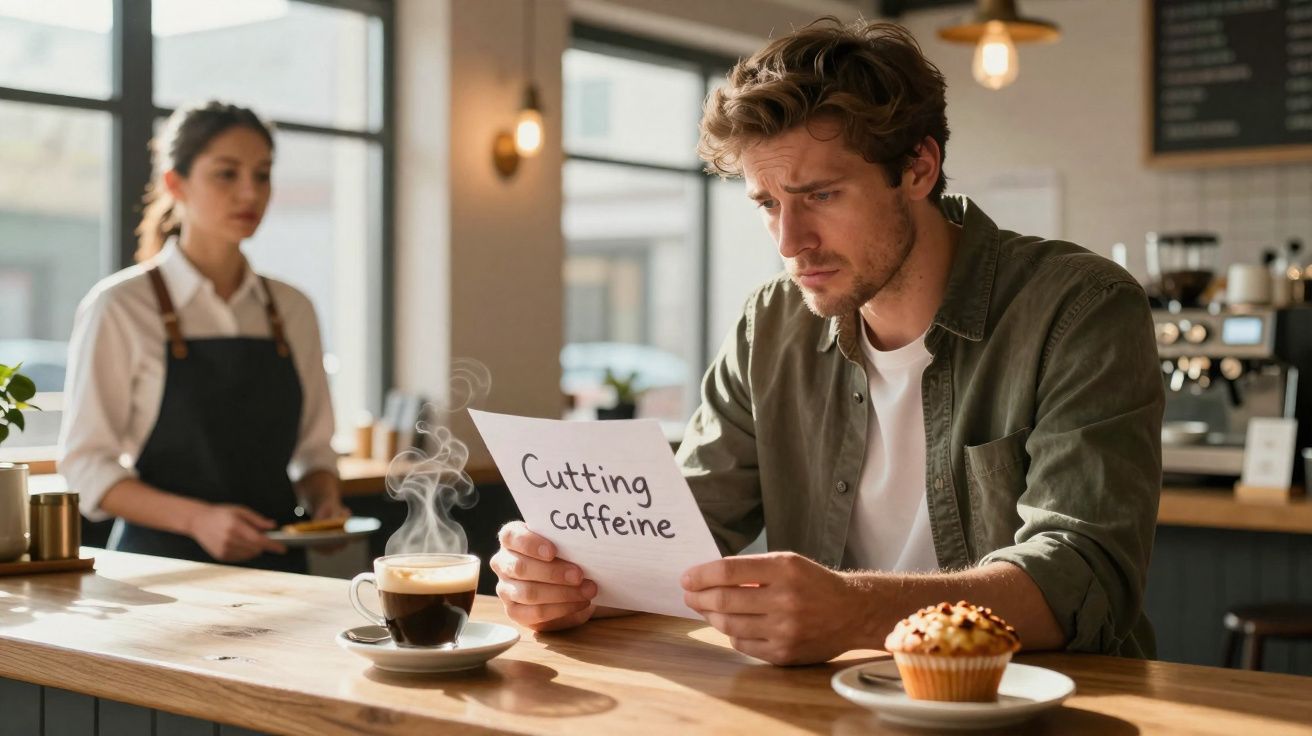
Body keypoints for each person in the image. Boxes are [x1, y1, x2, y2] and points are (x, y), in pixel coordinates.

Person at [492, 19, 1163, 664]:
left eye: (820, 195)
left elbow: (1084, 578)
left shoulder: (1079, 308)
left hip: (1047, 706)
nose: (790, 241)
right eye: (766, 204)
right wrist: (573, 586)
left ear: (919, 168)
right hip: (829, 705)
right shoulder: (770, 325)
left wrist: (855, 609)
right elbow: (679, 536)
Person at [59, 101, 347, 573]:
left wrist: (325, 502)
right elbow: (87, 467)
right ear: (176, 183)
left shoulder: (293, 309)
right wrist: (198, 520)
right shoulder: (121, 306)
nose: (250, 192)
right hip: (158, 578)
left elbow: (314, 451)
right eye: (226, 174)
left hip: (280, 576)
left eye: (263, 174)